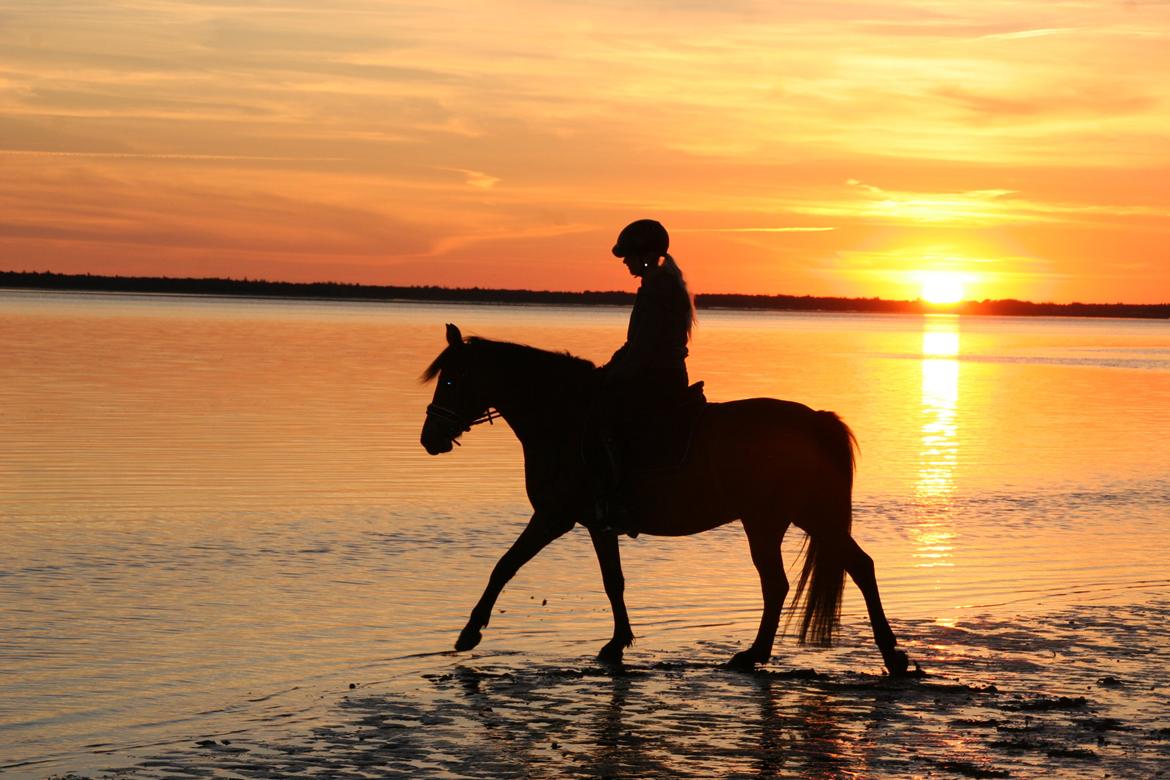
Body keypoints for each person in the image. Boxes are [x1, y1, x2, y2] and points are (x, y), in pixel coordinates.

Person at [592, 219, 696, 535]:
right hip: (657, 373)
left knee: (604, 422)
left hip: (656, 379)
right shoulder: (659, 285)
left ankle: (620, 503)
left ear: (646, 256)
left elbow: (643, 349)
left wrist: (610, 377)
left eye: (629, 256)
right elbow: (636, 346)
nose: (625, 262)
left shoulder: (658, 290)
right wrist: (608, 370)